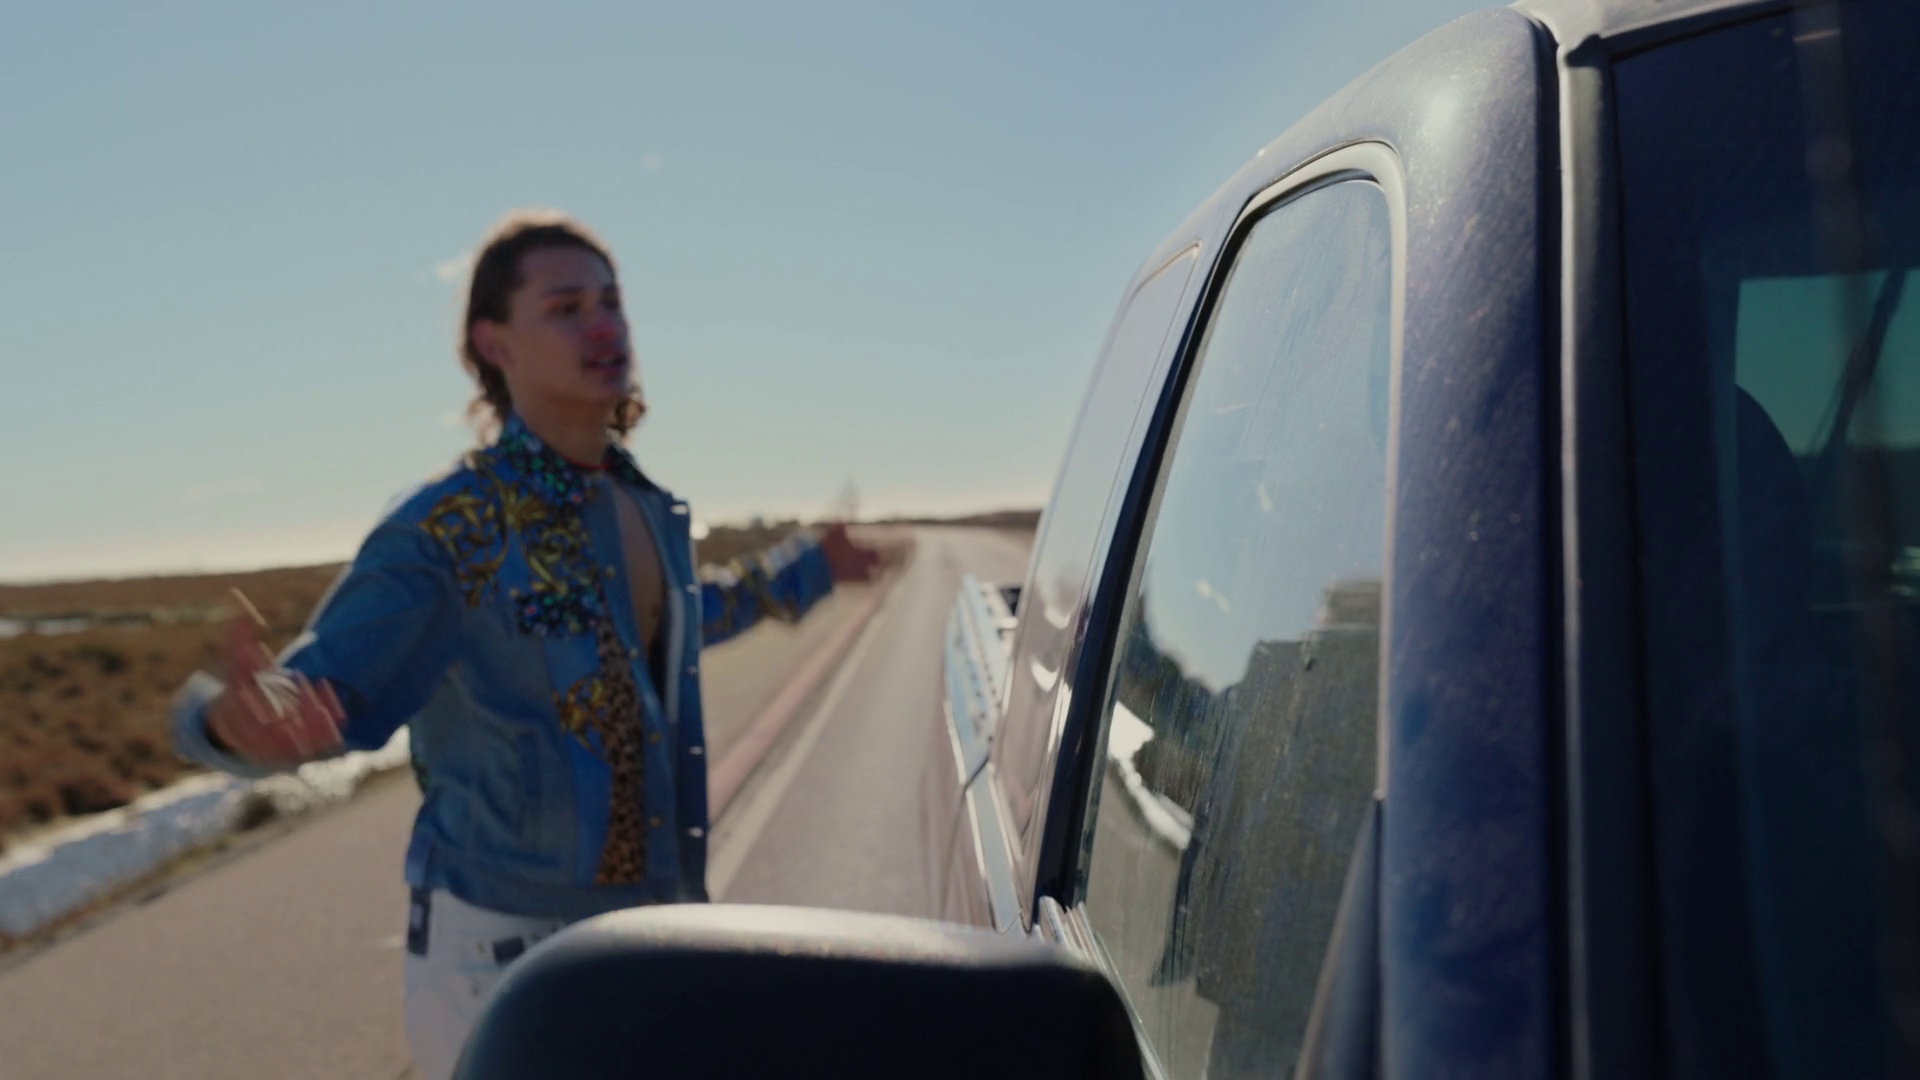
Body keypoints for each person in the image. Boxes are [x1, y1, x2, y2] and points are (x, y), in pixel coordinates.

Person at [171, 210, 754, 1078]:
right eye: (565, 308)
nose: (603, 326)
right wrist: (234, 725)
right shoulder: (458, 523)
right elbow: (327, 679)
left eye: (610, 302)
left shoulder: (644, 504)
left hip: (653, 927)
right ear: (494, 343)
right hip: (509, 962)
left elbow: (680, 628)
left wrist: (811, 570)